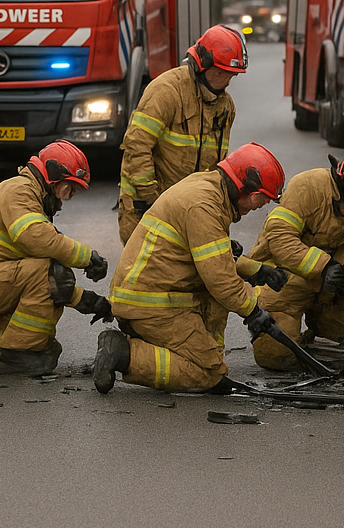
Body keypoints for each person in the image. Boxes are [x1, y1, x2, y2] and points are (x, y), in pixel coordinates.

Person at [93, 143, 287, 394]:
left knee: (209, 359)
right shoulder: (204, 206)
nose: (261, 205)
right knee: (208, 374)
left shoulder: (207, 188)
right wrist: (253, 311)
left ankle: (164, 347)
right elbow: (220, 279)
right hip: (152, 304)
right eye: (263, 198)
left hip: (151, 295)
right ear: (246, 187)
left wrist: (255, 270)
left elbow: (210, 256)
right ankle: (125, 354)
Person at [0, 140, 112, 375]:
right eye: (70, 189)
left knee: (41, 334)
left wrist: (88, 301)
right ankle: (22, 350)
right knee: (50, 273)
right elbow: (39, 240)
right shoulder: (20, 191)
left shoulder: (29, 195)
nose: (66, 200)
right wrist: (88, 258)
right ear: (54, 176)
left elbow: (36, 275)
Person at [248, 144, 344, 372]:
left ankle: (320, 323)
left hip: (326, 297)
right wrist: (325, 268)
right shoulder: (308, 187)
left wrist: (341, 282)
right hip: (281, 290)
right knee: (275, 353)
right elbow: (279, 238)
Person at [117, 24, 246, 244]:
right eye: (220, 73)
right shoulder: (166, 91)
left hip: (190, 208)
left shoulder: (225, 107)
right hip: (149, 204)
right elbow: (137, 146)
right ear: (201, 66)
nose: (226, 82)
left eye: (231, 76)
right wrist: (149, 200)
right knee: (150, 264)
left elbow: (216, 165)